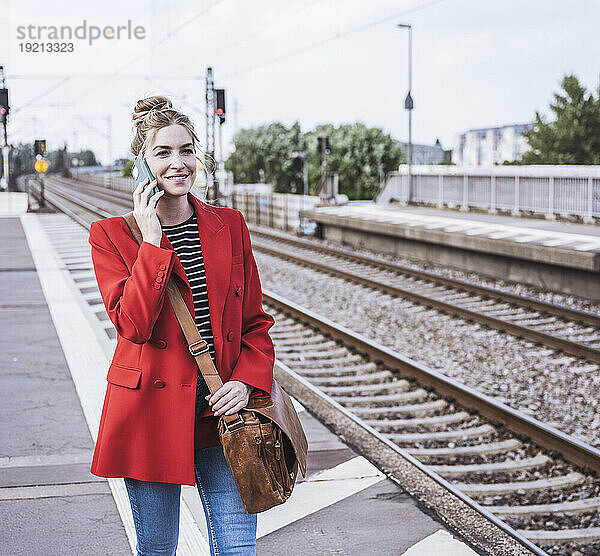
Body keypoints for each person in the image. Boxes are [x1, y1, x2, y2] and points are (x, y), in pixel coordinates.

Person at [88, 95, 276, 555]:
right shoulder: (111, 235)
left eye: (187, 150)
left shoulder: (229, 225)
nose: (179, 163)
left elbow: (255, 321)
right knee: (157, 550)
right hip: (149, 412)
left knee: (237, 549)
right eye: (163, 152)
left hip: (222, 408)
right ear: (141, 164)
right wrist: (151, 242)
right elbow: (131, 324)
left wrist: (246, 382)